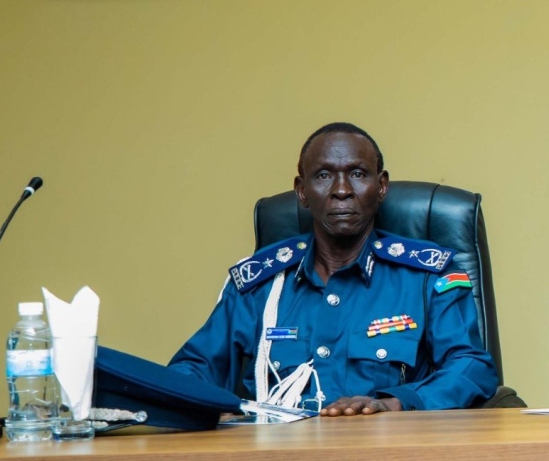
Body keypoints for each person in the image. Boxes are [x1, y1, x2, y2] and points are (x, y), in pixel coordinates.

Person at [169, 122, 498, 415]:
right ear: (302, 191)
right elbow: (194, 368)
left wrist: (394, 403)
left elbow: (471, 367)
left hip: (389, 453)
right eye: (324, 176)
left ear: (381, 186)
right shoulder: (260, 283)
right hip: (279, 456)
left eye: (358, 174)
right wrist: (204, 407)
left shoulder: (427, 274)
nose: (342, 190)